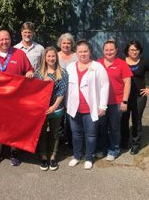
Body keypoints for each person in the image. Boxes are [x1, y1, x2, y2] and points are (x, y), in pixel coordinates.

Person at [0, 29, 34, 167]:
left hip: (15, 99)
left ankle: (14, 151)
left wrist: (29, 73)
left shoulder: (20, 54)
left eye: (7, 39)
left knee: (13, 126)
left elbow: (29, 69)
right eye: (1, 39)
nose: (4, 42)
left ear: (10, 39)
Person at [67, 40, 109, 170]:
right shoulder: (70, 67)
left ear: (90, 52)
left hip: (91, 108)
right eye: (80, 51)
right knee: (76, 134)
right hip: (74, 108)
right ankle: (76, 156)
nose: (83, 54)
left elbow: (105, 86)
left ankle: (89, 157)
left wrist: (103, 106)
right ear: (76, 53)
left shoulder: (97, 67)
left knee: (91, 135)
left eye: (85, 51)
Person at [97, 39, 132, 161]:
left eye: (111, 49)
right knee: (101, 126)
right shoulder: (97, 63)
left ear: (116, 50)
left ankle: (114, 150)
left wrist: (125, 101)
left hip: (117, 102)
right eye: (106, 50)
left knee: (114, 127)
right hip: (101, 102)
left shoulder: (122, 64)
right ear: (103, 51)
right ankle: (102, 148)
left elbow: (127, 83)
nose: (109, 52)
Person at [34, 46, 68, 171]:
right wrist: (43, 81)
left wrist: (54, 107)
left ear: (56, 57)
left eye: (53, 56)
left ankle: (53, 157)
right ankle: (43, 156)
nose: (51, 58)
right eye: (49, 56)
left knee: (55, 133)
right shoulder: (38, 73)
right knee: (42, 133)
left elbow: (62, 92)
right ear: (45, 58)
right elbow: (35, 91)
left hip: (56, 108)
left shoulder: (62, 72)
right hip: (41, 109)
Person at [121, 40, 149, 155]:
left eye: (136, 49)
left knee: (136, 119)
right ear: (128, 51)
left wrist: (148, 87)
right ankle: (123, 141)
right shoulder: (122, 62)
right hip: (125, 96)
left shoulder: (144, 62)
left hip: (140, 96)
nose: (134, 52)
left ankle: (136, 144)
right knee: (123, 119)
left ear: (139, 50)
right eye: (132, 49)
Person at [56, 33, 77, 147]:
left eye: (68, 43)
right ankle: (58, 141)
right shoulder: (56, 55)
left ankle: (70, 140)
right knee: (59, 116)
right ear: (60, 44)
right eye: (64, 43)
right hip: (58, 90)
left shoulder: (76, 56)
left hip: (72, 90)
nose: (66, 45)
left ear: (72, 44)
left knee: (71, 116)